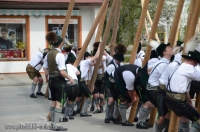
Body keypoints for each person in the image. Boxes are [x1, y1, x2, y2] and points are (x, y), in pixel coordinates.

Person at [165, 34, 200, 132]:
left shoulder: (180, 66)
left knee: (184, 119)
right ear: (193, 61)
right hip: (178, 102)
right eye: (197, 62)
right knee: (198, 121)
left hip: (170, 99)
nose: (197, 64)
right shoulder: (189, 68)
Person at [43, 31, 74, 131]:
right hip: (59, 81)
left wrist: (49, 76)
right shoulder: (59, 55)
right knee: (59, 103)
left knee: (53, 102)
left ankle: (52, 124)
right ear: (61, 44)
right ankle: (56, 125)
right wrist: (70, 78)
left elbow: (45, 69)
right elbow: (62, 72)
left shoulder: (48, 54)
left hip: (51, 81)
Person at [104, 43, 127, 124]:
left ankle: (113, 117)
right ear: (115, 59)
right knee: (111, 100)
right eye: (119, 60)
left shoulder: (120, 64)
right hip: (109, 83)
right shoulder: (111, 66)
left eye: (120, 61)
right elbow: (110, 78)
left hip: (115, 84)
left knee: (117, 100)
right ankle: (106, 117)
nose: (120, 62)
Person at [79, 44, 101, 117]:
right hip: (80, 81)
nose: (91, 58)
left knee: (77, 96)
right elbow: (96, 57)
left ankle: (71, 111)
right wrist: (99, 48)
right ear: (87, 57)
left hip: (80, 80)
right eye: (89, 57)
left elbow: (93, 63)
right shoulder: (86, 61)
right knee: (89, 96)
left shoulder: (83, 63)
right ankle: (83, 112)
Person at [62, 53, 80, 122]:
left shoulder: (64, 66)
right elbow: (78, 73)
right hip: (75, 85)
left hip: (68, 84)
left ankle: (57, 115)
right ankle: (65, 116)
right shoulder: (73, 67)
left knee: (62, 101)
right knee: (70, 102)